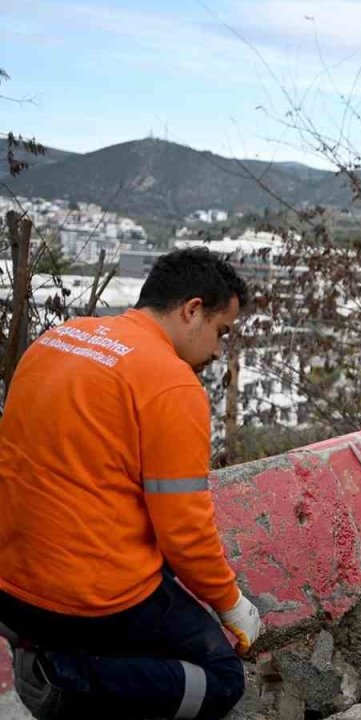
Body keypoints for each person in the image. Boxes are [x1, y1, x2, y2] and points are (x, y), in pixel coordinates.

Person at [0, 248, 261, 720]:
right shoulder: (171, 383)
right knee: (222, 678)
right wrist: (230, 603)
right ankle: (66, 681)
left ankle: (56, 655)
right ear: (192, 310)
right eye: (221, 332)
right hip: (85, 598)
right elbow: (185, 533)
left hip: (11, 583)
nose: (219, 351)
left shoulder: (59, 340)